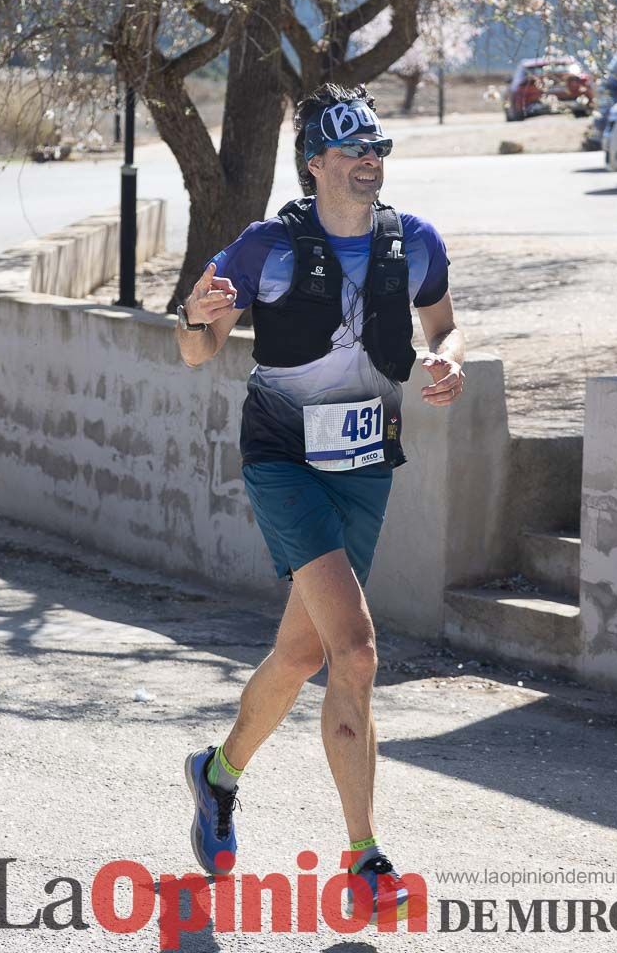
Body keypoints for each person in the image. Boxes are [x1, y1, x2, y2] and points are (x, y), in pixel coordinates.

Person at [176, 82, 465, 924]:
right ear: (316, 164)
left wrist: (452, 359)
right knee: (358, 649)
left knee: (304, 657)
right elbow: (199, 350)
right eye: (353, 151)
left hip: (367, 464)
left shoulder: (413, 240)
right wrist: (197, 318)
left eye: (378, 149)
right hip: (285, 460)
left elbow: (443, 325)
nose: (371, 162)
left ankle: (217, 774)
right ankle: (365, 858)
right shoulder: (266, 245)